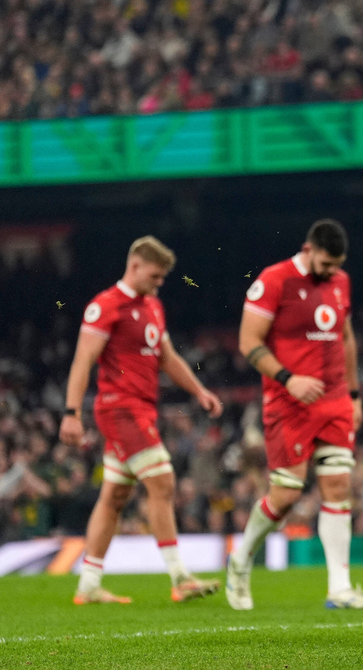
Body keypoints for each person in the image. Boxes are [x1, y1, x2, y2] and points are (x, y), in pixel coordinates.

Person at [59, 236, 223, 605]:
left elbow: (167, 357)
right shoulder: (105, 306)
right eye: (155, 275)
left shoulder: (151, 306)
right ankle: (180, 577)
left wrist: (199, 391)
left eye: (163, 277)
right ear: (134, 265)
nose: (159, 282)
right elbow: (83, 360)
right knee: (162, 481)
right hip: (120, 409)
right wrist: (71, 412)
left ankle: (88, 584)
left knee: (114, 496)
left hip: (141, 409)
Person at [228, 219, 363, 611]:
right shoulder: (275, 280)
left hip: (332, 402)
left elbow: (345, 338)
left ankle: (340, 589)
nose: (332, 272)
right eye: (326, 264)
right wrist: (288, 378)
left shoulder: (340, 282)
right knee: (285, 494)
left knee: (338, 489)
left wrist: (353, 396)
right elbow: (248, 341)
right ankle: (241, 559)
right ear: (308, 249)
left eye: (337, 265)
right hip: (288, 402)